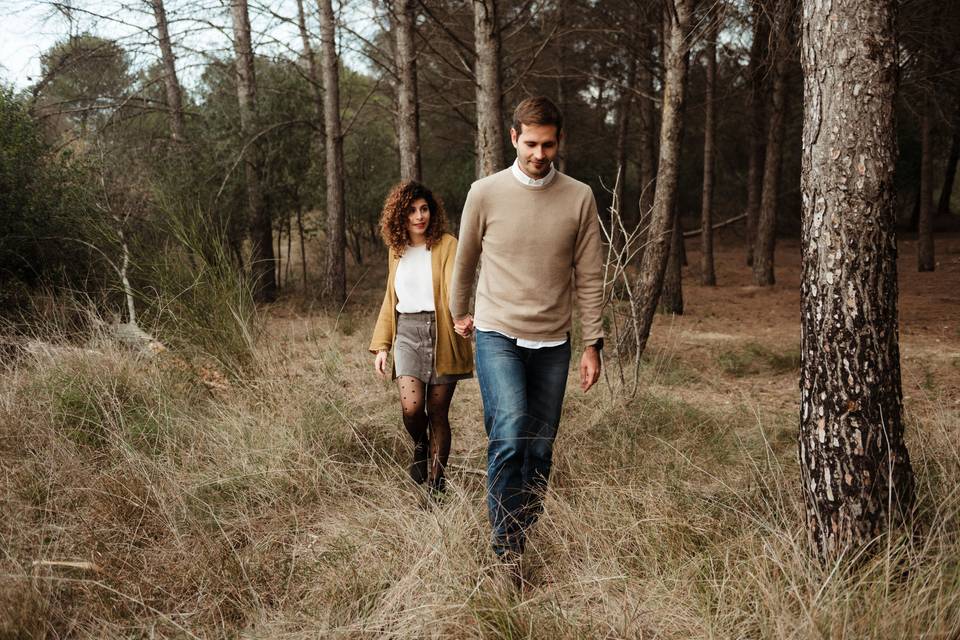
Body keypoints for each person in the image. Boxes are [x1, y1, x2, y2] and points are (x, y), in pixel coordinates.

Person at [449, 96, 604, 565]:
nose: (540, 154)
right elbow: (466, 260)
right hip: (498, 334)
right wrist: (459, 311)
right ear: (514, 137)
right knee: (511, 435)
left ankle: (523, 524)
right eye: (531, 143)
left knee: (539, 447)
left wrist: (592, 344)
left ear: (559, 142)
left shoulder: (579, 197)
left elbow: (590, 275)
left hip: (554, 342)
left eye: (549, 144)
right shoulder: (485, 192)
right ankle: (506, 549)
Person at [370, 181, 473, 493]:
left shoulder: (447, 244)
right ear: (400, 215)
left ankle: (436, 484)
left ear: (432, 211)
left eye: (424, 209)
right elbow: (391, 298)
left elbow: (457, 285)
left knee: (438, 413)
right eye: (412, 210)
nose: (419, 216)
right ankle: (420, 443)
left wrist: (463, 317)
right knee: (412, 409)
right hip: (408, 332)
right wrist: (382, 346)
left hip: (443, 332)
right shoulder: (396, 251)